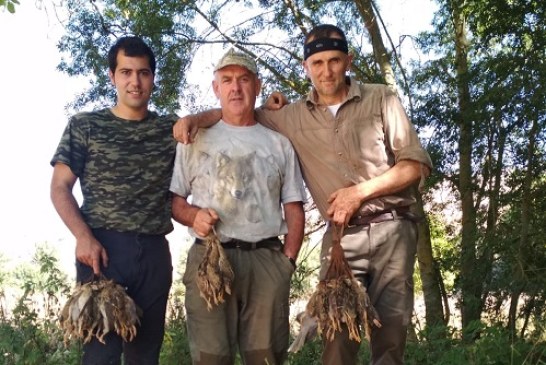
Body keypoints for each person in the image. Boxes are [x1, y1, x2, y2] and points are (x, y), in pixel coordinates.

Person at [174, 24, 433, 365]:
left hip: (393, 228)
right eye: (318, 62)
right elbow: (236, 112)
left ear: (348, 61)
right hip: (342, 238)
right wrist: (195, 118)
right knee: (335, 336)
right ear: (306, 67)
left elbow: (414, 165)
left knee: (390, 339)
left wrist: (358, 193)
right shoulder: (292, 115)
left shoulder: (381, 98)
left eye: (334, 60)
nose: (327, 71)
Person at [170, 48, 305, 365]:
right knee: (211, 358)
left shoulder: (278, 142)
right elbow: (175, 201)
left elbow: (294, 207)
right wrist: (194, 216)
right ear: (216, 88)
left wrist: (286, 262)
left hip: (267, 260)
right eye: (227, 80)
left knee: (266, 357)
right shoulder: (195, 138)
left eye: (244, 80)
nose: (236, 88)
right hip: (211, 259)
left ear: (257, 86)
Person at [50, 36, 177, 365]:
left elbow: (224, 119)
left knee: (145, 355)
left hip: (153, 252)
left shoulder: (170, 129)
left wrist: (268, 109)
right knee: (100, 354)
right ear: (112, 76)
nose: (135, 81)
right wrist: (83, 236)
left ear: (152, 77)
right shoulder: (86, 125)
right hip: (102, 253)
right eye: (126, 72)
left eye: (143, 73)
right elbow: (60, 187)